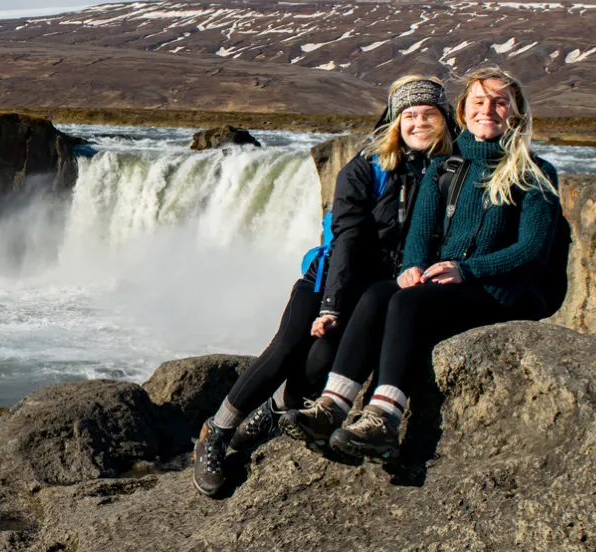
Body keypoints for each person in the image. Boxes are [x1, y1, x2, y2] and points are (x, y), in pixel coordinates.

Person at [190, 76, 457, 496]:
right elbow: (347, 239)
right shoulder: (368, 167)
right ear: (394, 120)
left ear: (445, 120)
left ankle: (271, 413)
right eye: (409, 115)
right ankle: (217, 431)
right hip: (329, 279)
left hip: (379, 292)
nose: (419, 123)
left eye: (429, 115)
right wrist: (330, 305)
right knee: (287, 347)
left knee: (318, 367)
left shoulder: (450, 170)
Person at [280, 66, 562, 461]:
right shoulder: (445, 167)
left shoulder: (534, 173)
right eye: (480, 101)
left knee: (407, 303)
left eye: (501, 102)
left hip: (499, 289)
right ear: (463, 112)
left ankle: (382, 421)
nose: (489, 110)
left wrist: (467, 270)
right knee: (382, 294)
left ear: (516, 113)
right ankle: (332, 407)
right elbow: (421, 232)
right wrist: (411, 266)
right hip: (450, 281)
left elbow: (531, 250)